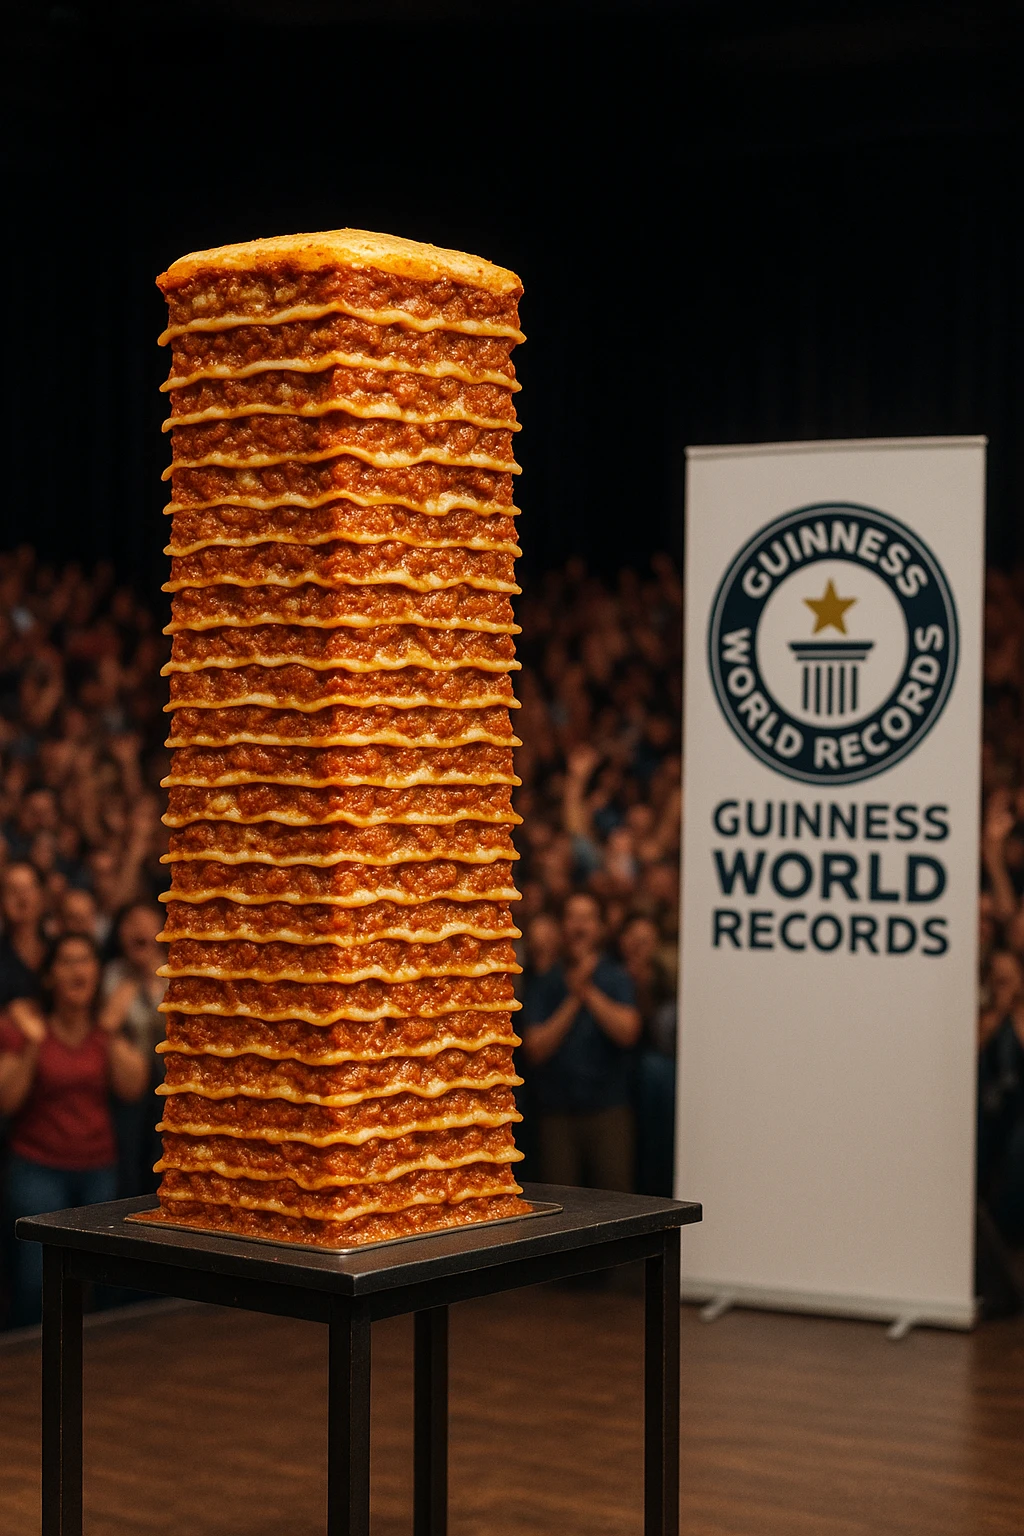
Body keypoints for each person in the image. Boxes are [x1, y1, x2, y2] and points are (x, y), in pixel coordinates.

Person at [0, 932, 147, 1324]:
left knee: (99, 1282)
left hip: (97, 1167)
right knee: (37, 1282)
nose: (77, 969)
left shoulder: (105, 1030)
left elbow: (133, 1087)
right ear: (50, 976)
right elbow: (6, 1099)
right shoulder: (31, 1027)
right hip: (38, 1167)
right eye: (66, 961)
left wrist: (111, 1032)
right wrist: (32, 1044)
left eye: (85, 960)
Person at [521, 891, 641, 1191]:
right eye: (572, 918)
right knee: (563, 1207)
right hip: (556, 1115)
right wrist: (574, 998)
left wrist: (588, 992)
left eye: (587, 918)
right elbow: (534, 1049)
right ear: (562, 926)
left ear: (600, 927)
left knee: (616, 1204)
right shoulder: (545, 982)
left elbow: (628, 1032)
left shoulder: (615, 977)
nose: (579, 926)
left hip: (609, 1111)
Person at [101, 901, 167, 1196]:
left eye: (145, 921)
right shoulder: (113, 974)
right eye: (129, 923)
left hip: (172, 1087)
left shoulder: (177, 972)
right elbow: (106, 1025)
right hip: (128, 1090)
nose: (137, 929)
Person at [978, 949, 1024, 1248]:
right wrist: (1000, 1012)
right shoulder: (986, 1019)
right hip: (989, 1111)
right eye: (997, 980)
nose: (1001, 985)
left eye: (1007, 980)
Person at [0, 861, 46, 1007]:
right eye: (13, 890)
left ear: (42, 895)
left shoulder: (57, 951)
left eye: (28, 889)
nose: (22, 898)